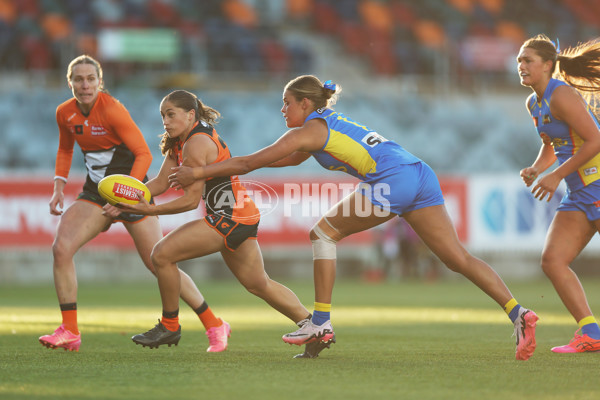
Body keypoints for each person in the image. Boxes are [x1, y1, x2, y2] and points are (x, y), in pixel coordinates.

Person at [168, 75, 539, 360]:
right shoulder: (323, 125)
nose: (283, 111)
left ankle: (320, 322)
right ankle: (518, 312)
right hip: (418, 172)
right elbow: (276, 160)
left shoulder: (310, 129)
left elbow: (251, 162)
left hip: (392, 180)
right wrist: (229, 169)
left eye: (286, 104)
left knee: (322, 234)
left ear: (305, 103)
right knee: (457, 257)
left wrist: (199, 174)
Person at [39, 55, 229, 353]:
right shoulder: (65, 112)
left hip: (132, 190)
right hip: (94, 193)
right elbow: (65, 148)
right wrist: (58, 186)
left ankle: (214, 324)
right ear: (71, 83)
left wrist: (125, 197)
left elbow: (143, 154)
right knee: (61, 248)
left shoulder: (113, 110)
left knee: (159, 263)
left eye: (91, 79)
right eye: (79, 79)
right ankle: (70, 331)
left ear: (100, 82)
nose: (85, 84)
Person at [110, 89, 314, 355]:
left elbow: (189, 202)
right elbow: (160, 182)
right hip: (241, 216)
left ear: (190, 114)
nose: (165, 121)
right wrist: (129, 195)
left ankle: (170, 326)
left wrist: (145, 210)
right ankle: (313, 326)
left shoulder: (196, 143)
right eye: (163, 116)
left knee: (161, 255)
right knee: (258, 283)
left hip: (227, 218)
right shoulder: (180, 139)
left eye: (171, 114)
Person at [517, 35, 600, 353]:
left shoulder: (561, 94)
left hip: (597, 183)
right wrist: (537, 168)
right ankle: (590, 332)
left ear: (548, 66)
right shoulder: (533, 103)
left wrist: (555, 177)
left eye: (528, 61)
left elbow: (595, 140)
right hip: (580, 191)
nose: (521, 66)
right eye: (519, 62)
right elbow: (551, 144)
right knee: (552, 261)